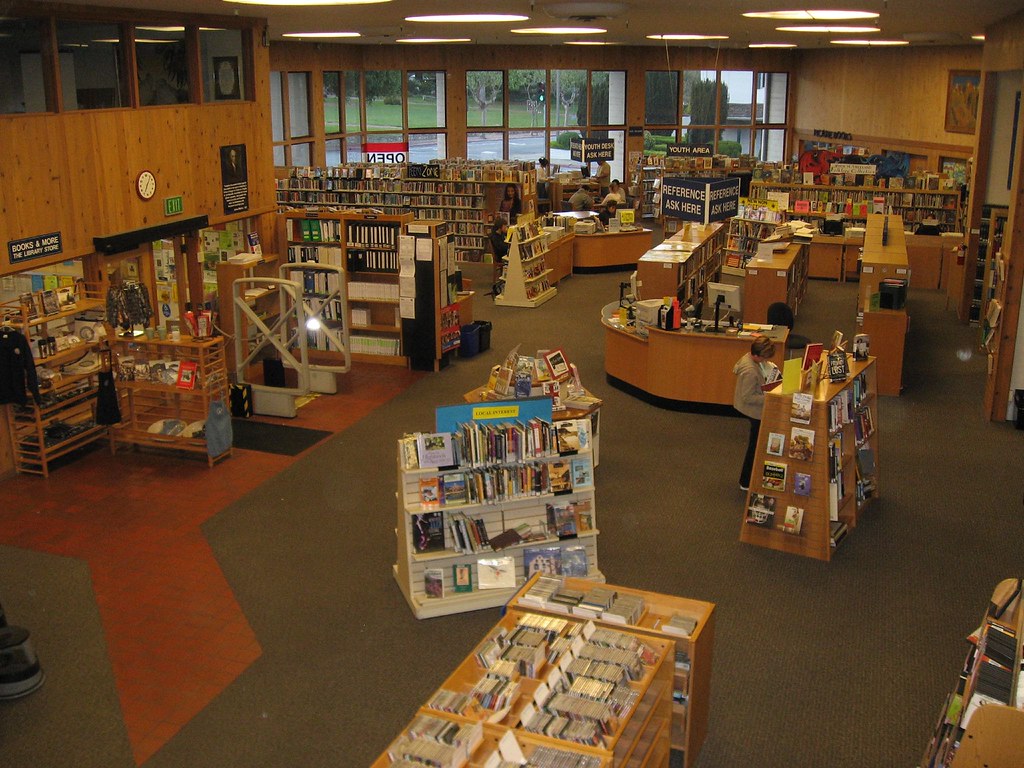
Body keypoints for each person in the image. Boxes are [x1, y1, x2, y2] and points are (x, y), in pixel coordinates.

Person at [733, 335, 776, 491]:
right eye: (764, 358)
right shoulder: (750, 372)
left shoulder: (752, 359)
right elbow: (748, 397)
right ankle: (745, 481)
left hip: (756, 403)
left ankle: (751, 477)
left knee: (757, 443)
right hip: (753, 410)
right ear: (757, 355)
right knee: (755, 445)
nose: (766, 360)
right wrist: (768, 397)